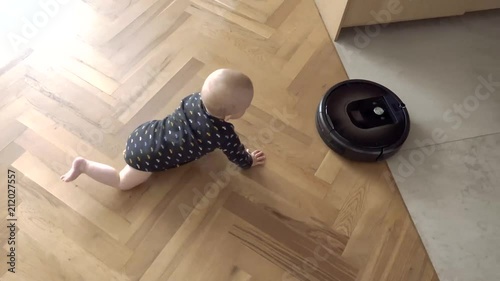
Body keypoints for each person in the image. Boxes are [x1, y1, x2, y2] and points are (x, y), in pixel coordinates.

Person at [60, 68, 266, 190]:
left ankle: (129, 153)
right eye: (245, 107)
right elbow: (236, 154)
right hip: (148, 157)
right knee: (122, 181)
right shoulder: (224, 134)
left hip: (144, 133)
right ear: (230, 115)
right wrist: (248, 161)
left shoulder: (194, 99)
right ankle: (85, 166)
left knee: (146, 146)